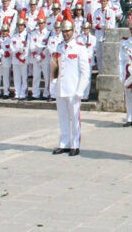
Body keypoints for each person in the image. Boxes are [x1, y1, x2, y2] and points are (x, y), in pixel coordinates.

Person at [50, 9, 89, 157]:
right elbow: (55, 68)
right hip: (61, 88)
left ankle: (75, 144)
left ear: (73, 31)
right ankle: (64, 143)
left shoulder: (80, 48)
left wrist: (80, 90)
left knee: (74, 117)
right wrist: (53, 87)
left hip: (73, 88)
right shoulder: (59, 47)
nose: (65, 33)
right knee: (63, 117)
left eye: (68, 31)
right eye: (63, 31)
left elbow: (85, 72)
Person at [92, 0, 116, 74]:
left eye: (104, 1)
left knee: (107, 56)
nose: (103, 2)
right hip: (99, 36)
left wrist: (107, 26)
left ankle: (107, 72)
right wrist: (101, 26)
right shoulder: (96, 12)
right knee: (99, 56)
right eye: (101, 1)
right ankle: (100, 72)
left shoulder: (111, 12)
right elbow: (94, 25)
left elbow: (112, 25)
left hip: (107, 37)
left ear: (107, 1)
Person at [28, 9, 51, 100]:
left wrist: (41, 55)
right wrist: (35, 54)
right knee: (36, 76)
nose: (41, 25)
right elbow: (31, 45)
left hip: (45, 58)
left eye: (42, 23)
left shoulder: (48, 33)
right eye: (39, 23)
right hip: (36, 57)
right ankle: (35, 93)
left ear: (45, 23)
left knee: (46, 77)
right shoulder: (34, 33)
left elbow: (48, 46)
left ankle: (46, 93)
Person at [11, 12, 30, 100]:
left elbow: (28, 47)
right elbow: (11, 47)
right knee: (16, 77)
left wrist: (23, 55)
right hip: (15, 59)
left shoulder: (27, 36)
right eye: (18, 25)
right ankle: (17, 92)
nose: (20, 27)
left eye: (21, 25)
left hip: (23, 59)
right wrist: (16, 52)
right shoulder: (14, 36)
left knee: (24, 77)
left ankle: (23, 93)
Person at [77, 19, 96, 101]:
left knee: (87, 78)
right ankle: (80, 93)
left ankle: (86, 95)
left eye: (87, 28)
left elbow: (92, 49)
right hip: (81, 60)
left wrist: (88, 57)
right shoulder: (79, 38)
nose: (86, 30)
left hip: (89, 60)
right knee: (80, 77)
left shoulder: (93, 38)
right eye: (84, 28)